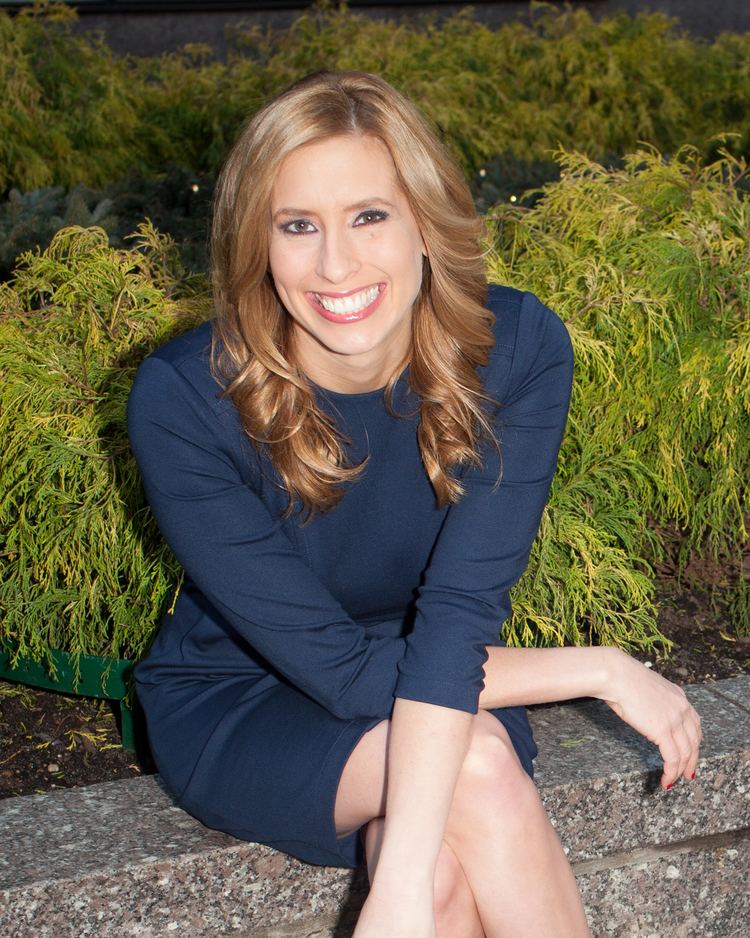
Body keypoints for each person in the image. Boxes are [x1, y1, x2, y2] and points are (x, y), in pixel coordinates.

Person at [127, 71, 702, 938]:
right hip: (247, 700)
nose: (335, 264)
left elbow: (456, 619)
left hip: (437, 674)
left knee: (432, 878)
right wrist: (600, 668)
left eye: (369, 216)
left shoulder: (515, 351)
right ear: (259, 244)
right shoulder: (184, 400)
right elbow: (347, 673)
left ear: (426, 224)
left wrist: (401, 890)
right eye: (297, 226)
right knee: (468, 775)